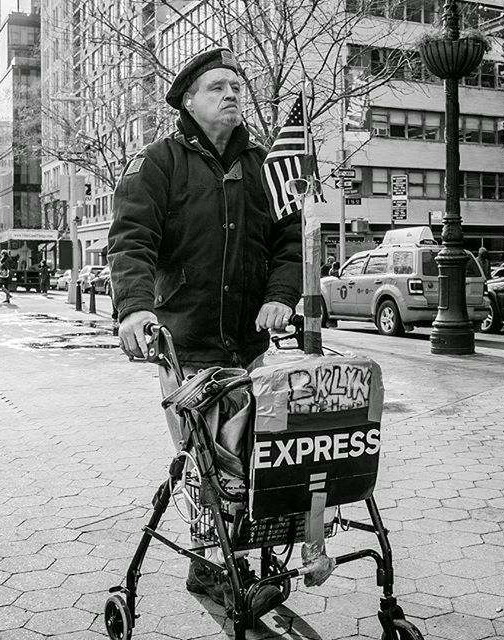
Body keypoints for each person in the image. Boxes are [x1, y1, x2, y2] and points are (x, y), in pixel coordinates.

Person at [107, 47, 301, 619]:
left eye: (238, 85)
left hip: (246, 346)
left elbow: (288, 243)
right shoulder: (158, 163)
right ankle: (215, 569)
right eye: (218, 86)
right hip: (184, 346)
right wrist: (135, 310)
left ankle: (247, 561)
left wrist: (280, 297)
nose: (233, 93)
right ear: (189, 101)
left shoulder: (265, 168)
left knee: (254, 459)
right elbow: (131, 241)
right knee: (205, 463)